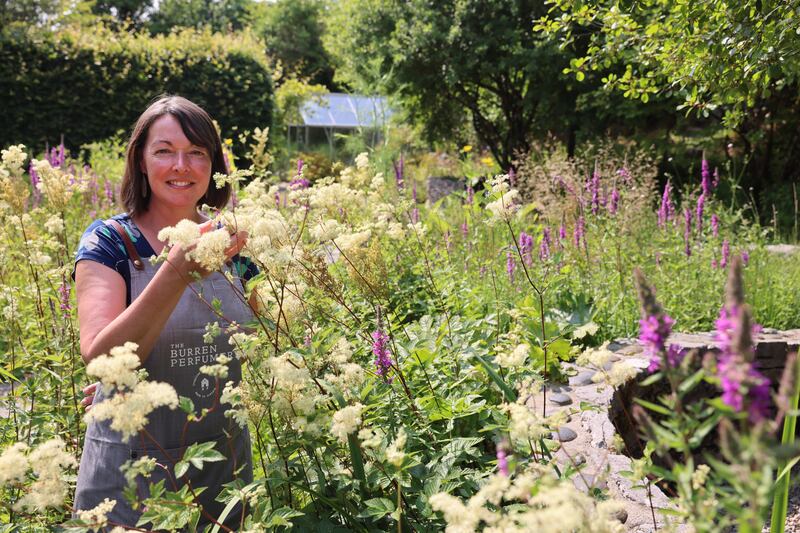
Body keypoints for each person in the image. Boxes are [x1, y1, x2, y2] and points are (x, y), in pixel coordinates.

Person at [73, 95, 256, 529]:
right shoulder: (110, 243)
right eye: (164, 151)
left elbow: (268, 340)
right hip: (130, 473)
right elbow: (101, 360)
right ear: (140, 160)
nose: (182, 165)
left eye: (197, 153)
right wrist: (175, 271)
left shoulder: (233, 244)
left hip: (224, 469)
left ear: (213, 165)